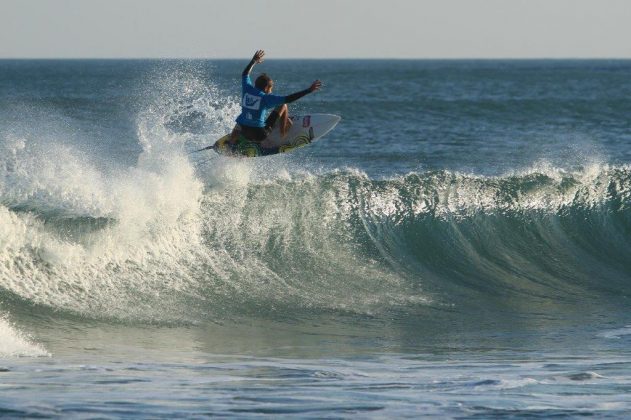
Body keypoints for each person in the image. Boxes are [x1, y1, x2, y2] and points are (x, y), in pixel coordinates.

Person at [230, 50, 321, 144]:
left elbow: (245, 74)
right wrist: (308, 90)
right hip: (259, 135)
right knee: (283, 105)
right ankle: (283, 133)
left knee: (242, 119)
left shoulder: (247, 89)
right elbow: (289, 98)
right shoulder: (266, 98)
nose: (271, 91)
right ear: (266, 88)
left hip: (244, 133)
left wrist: (254, 61)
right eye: (270, 88)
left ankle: (232, 141)